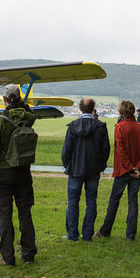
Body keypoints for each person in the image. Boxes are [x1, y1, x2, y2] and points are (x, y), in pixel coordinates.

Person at [0, 84, 38, 266]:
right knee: (25, 213)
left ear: (4, 99)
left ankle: (7, 257)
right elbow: (29, 112)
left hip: (3, 173)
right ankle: (28, 254)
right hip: (23, 171)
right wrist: (23, 104)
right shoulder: (29, 118)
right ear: (19, 99)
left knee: (5, 216)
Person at [94, 100, 140, 241]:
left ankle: (105, 230)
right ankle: (130, 234)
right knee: (133, 201)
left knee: (114, 201)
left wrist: (130, 167)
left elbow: (120, 150)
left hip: (123, 170)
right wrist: (138, 166)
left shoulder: (119, 127)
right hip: (137, 171)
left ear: (121, 112)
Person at [61, 98, 110, 242]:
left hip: (76, 169)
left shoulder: (73, 126)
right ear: (93, 108)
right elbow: (105, 149)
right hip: (93, 169)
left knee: (73, 202)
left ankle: (72, 235)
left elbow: (66, 150)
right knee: (91, 201)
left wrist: (68, 165)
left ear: (80, 108)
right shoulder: (100, 127)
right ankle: (87, 235)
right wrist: (101, 165)